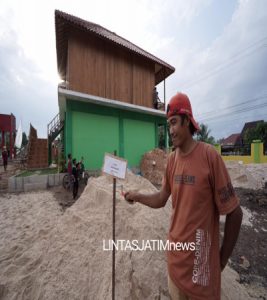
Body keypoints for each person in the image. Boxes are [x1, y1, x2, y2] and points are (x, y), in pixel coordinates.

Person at [124, 92, 243, 300]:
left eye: (174, 123)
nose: (170, 130)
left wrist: (221, 263)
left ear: (188, 121)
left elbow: (235, 213)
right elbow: (161, 199)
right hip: (175, 265)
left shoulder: (209, 157)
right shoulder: (171, 161)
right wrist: (136, 195)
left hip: (202, 270)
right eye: (168, 124)